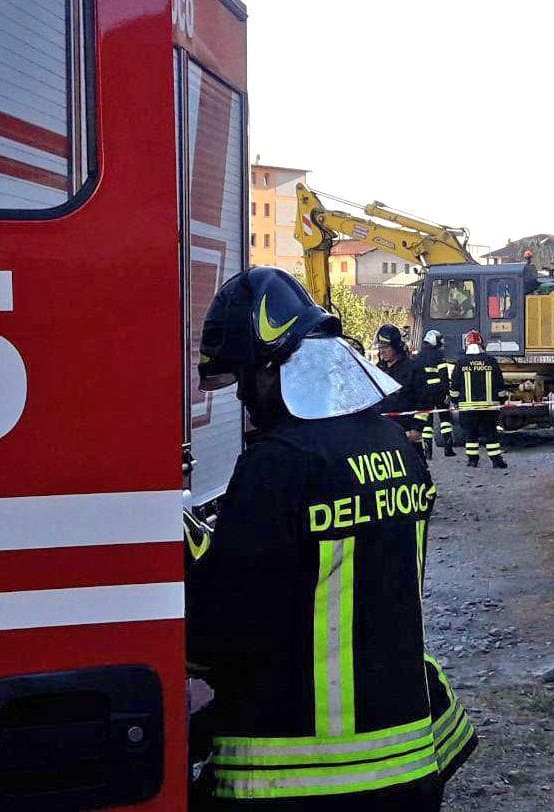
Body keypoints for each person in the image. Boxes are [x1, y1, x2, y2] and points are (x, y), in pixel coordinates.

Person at [186, 267, 473, 810]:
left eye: (246, 378)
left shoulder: (277, 464)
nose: (245, 396)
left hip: (299, 774)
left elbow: (218, 630)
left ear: (274, 367)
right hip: (410, 760)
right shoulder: (397, 448)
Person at [449, 329, 508, 469]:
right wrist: (501, 400)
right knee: (491, 433)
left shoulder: (461, 363)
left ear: (466, 345)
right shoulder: (491, 361)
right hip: (489, 407)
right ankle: (496, 460)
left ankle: (472, 460)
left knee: (471, 435)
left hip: (468, 408)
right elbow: (500, 385)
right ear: (482, 344)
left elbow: (454, 387)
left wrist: (455, 402)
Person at [374, 323, 431, 457]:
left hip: (406, 434)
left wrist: (417, 428)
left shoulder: (413, 368)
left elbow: (424, 402)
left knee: (416, 474)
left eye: (386, 347)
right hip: (383, 432)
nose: (382, 351)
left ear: (396, 346)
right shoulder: (379, 369)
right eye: (380, 347)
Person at [416, 330, 454, 459]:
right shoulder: (439, 355)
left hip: (424, 393)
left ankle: (428, 451)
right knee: (445, 419)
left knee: (427, 422)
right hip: (438, 391)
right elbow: (443, 375)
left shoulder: (419, 356)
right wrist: (447, 393)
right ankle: (448, 448)